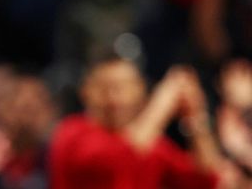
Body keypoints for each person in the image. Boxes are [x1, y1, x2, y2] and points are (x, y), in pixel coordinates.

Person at [49, 56, 230, 189]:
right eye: (104, 88)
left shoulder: (153, 145)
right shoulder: (71, 133)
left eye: (122, 87)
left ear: (140, 92)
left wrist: (195, 117)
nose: (114, 99)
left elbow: (206, 180)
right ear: (85, 91)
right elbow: (121, 156)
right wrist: (163, 102)